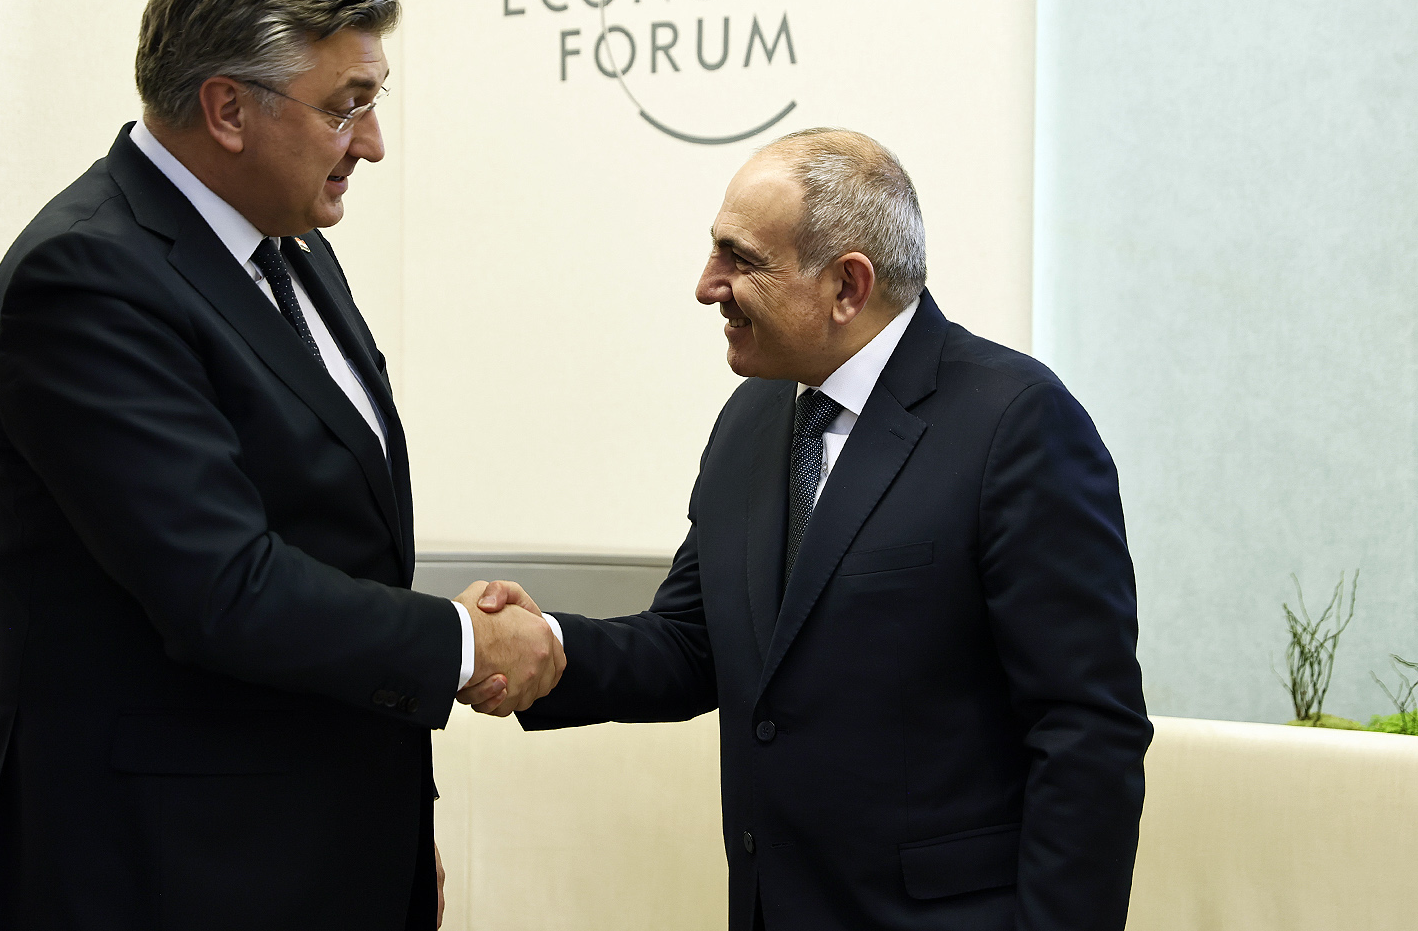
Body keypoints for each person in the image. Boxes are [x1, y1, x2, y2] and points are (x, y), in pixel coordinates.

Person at [0, 0, 560, 931]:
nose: (371, 142)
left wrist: (383, 829)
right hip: (159, 872)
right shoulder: (86, 277)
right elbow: (223, 587)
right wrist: (461, 642)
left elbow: (326, 535)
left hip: (316, 849)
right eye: (346, 106)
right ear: (228, 108)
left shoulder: (288, 246)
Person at [467, 128, 1152, 931]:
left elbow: (1085, 734)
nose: (706, 285)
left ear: (847, 286)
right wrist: (547, 645)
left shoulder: (1017, 424)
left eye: (740, 258)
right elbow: (691, 644)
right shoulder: (753, 417)